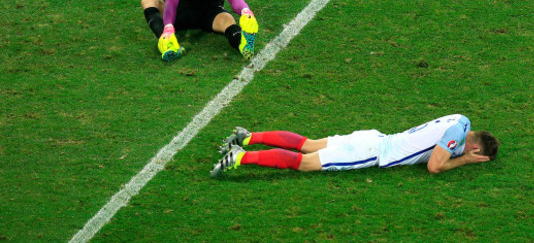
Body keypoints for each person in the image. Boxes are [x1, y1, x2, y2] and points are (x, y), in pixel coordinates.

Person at [210, 114, 498, 177]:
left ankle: (249, 137)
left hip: (373, 136)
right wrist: (463, 160)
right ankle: (240, 157)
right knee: (305, 163)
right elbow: (435, 166)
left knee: (308, 144)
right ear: (475, 150)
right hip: (372, 151)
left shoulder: (462, 121)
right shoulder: (457, 138)